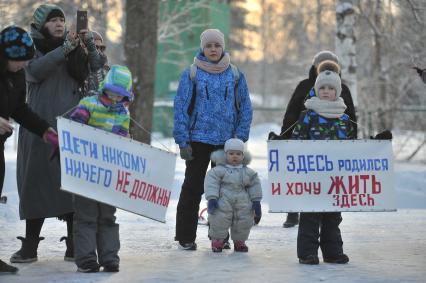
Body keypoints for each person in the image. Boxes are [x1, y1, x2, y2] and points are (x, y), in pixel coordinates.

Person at [13, 3, 89, 263]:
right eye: (53, 20)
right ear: (41, 24)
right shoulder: (30, 49)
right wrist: (62, 50)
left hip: (71, 127)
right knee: (35, 183)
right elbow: (34, 72)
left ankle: (74, 243)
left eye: (61, 20)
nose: (59, 24)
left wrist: (84, 47)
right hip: (39, 128)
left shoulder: (73, 48)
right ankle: (30, 244)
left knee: (72, 186)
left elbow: (90, 73)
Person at [173, 28, 252, 250]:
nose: (213, 49)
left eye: (217, 45)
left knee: (225, 192)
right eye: (209, 46)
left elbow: (245, 106)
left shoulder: (235, 74)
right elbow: (180, 107)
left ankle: (220, 237)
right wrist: (183, 140)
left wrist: (240, 137)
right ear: (202, 48)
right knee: (192, 188)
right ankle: (185, 236)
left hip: (226, 144)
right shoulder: (192, 73)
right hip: (198, 140)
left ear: (223, 46)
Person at [268, 50, 357, 228]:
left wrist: (353, 141)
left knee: (327, 183)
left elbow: (350, 116)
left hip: (333, 145)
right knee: (300, 179)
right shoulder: (304, 86)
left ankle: (329, 216)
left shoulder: (342, 88)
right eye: (322, 65)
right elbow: (292, 112)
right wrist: (285, 136)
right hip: (306, 139)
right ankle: (292, 213)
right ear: (315, 67)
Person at [0, 25, 58, 273]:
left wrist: (45, 130)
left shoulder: (15, 75)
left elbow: (19, 109)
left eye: (26, 61)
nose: (23, 65)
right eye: (19, 61)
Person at [69, 65, 132, 273]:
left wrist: (124, 141)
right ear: (105, 87)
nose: (115, 97)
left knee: (107, 216)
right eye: (113, 90)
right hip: (85, 171)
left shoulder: (123, 112)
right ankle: (86, 259)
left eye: (120, 94)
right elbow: (74, 129)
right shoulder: (88, 104)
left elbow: (122, 135)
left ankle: (110, 257)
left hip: (109, 174)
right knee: (86, 216)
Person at [292, 68, 355, 265]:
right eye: (322, 88)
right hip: (312, 177)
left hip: (335, 178)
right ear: (316, 90)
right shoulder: (308, 116)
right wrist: (280, 144)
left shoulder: (344, 119)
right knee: (310, 215)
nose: (326, 91)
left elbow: (355, 147)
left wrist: (377, 144)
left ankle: (333, 252)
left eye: (330, 88)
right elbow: (296, 141)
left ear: (337, 92)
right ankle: (307, 253)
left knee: (332, 215)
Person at [205, 138, 262, 252]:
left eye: (238, 154)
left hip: (242, 200)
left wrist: (256, 201)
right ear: (225, 155)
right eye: (231, 154)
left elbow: (254, 185)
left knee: (243, 221)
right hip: (223, 199)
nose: (234, 156)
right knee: (219, 220)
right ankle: (217, 241)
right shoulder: (218, 170)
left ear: (243, 156)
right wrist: (212, 198)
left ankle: (239, 242)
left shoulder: (248, 172)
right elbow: (211, 183)